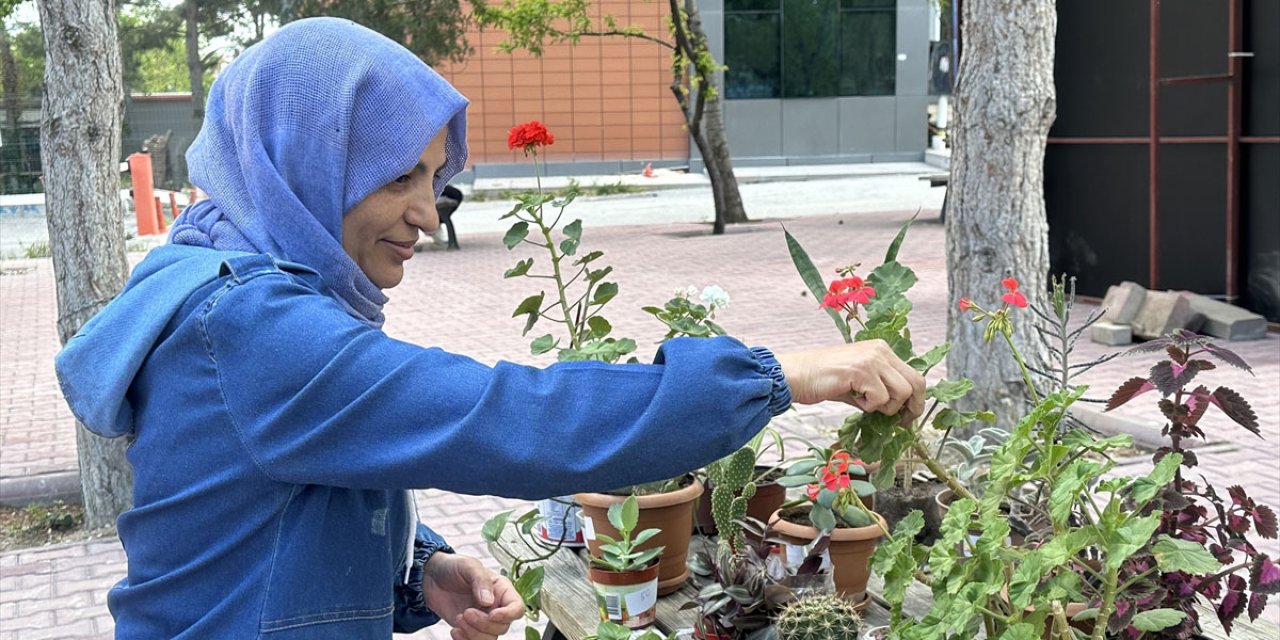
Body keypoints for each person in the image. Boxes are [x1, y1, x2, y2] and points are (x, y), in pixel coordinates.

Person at [53, 18, 925, 640]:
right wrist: (784, 374)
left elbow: (276, 498)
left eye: (438, 180)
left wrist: (416, 570)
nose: (426, 214)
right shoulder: (250, 324)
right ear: (298, 162)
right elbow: (511, 419)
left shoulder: (227, 282)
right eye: (397, 176)